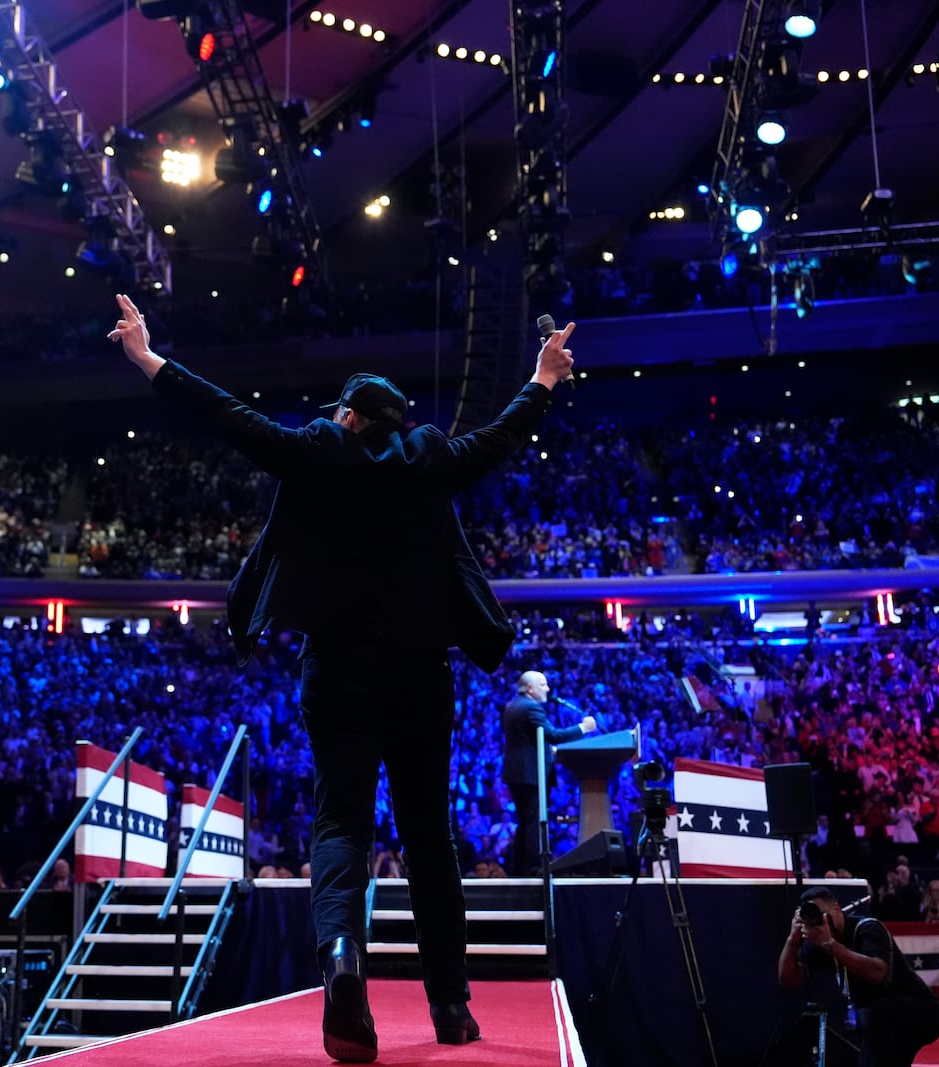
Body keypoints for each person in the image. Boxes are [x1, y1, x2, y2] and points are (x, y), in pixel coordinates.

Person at [108, 292, 576, 1060]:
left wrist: (149, 358)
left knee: (341, 827)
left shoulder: (318, 452)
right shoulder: (430, 458)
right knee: (430, 837)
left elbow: (227, 415)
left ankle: (341, 962)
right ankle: (451, 1007)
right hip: (421, 675)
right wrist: (543, 378)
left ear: (351, 416)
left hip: (338, 670)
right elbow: (497, 441)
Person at [778, 887, 939, 1067]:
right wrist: (792, 940)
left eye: (823, 914)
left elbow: (877, 973)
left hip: (920, 1012)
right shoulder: (818, 941)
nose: (820, 920)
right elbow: (789, 980)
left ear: (836, 908)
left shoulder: (868, 928)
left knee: (874, 1024)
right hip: (881, 1020)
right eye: (813, 916)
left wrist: (830, 944)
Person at [502, 670, 598, 875]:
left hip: (516, 773)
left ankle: (521, 866)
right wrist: (584, 727)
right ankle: (533, 867)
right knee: (533, 821)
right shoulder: (531, 708)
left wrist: (548, 750)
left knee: (524, 821)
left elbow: (528, 740)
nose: (547, 689)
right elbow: (553, 735)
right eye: (543, 685)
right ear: (530, 688)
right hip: (530, 774)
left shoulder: (513, 706)